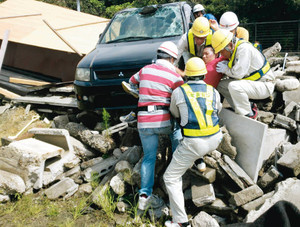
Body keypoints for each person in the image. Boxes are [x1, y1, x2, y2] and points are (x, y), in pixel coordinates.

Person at [125, 41, 184, 211]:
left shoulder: (144, 70)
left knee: (149, 157)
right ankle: (174, 176)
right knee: (176, 132)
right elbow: (180, 99)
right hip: (164, 120)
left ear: (158, 55)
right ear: (173, 59)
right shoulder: (175, 77)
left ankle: (144, 196)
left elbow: (131, 82)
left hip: (144, 120)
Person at [164, 57, 223, 227]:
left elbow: (175, 113)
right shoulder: (213, 91)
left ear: (186, 75)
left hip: (195, 142)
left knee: (171, 177)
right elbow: (217, 110)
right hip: (215, 138)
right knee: (197, 150)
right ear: (204, 74)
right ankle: (199, 160)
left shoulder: (179, 92)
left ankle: (181, 221)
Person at [211, 29, 275, 119]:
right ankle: (243, 108)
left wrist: (226, 70)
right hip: (255, 83)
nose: (221, 55)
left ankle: (248, 115)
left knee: (234, 86)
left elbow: (238, 74)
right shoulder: (235, 49)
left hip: (265, 85)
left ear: (229, 45)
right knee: (221, 85)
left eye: (221, 51)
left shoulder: (243, 49)